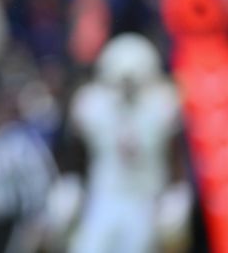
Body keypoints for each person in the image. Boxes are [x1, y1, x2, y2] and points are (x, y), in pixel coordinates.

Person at [64, 33, 189, 253]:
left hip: (146, 197)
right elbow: (77, 152)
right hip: (103, 194)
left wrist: (176, 193)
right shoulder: (92, 104)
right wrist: (71, 183)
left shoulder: (163, 105)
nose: (126, 88)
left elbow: (175, 154)